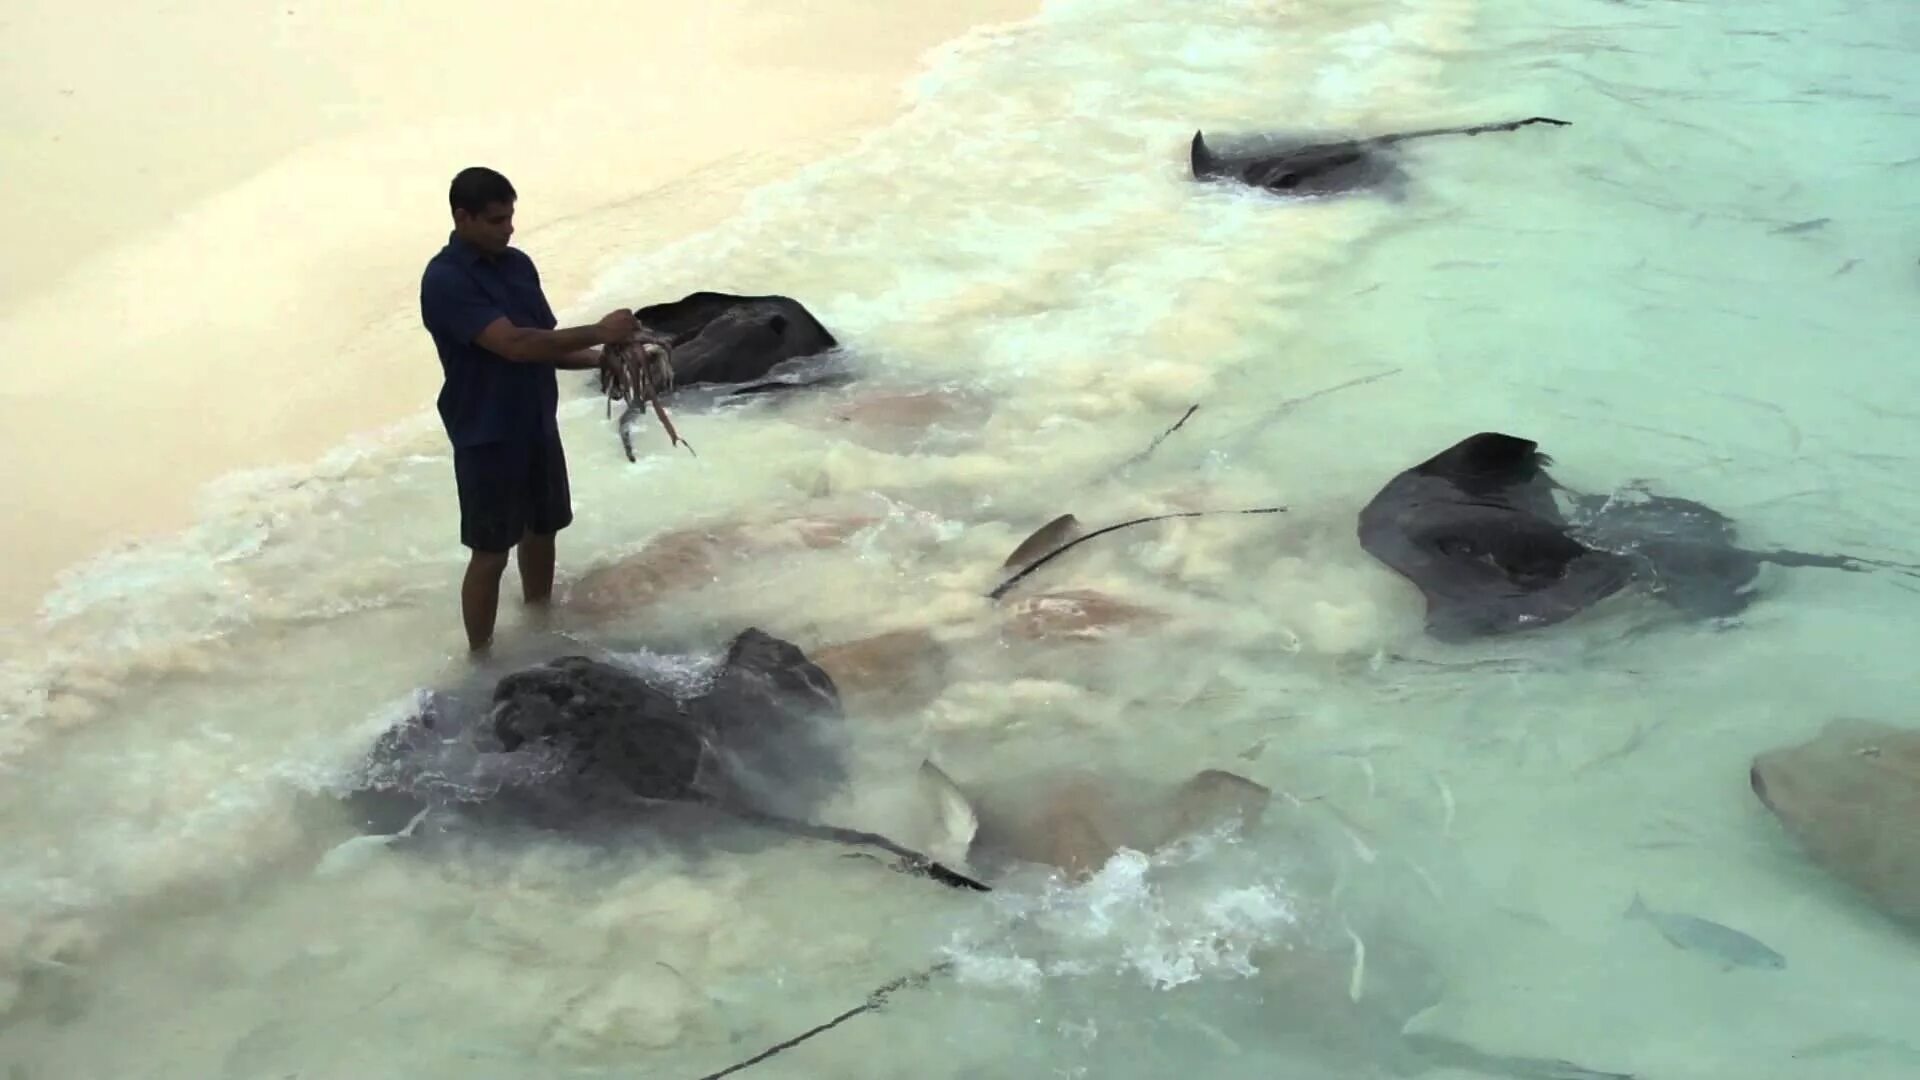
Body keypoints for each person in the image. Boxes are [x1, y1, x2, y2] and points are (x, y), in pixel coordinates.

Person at [419, 165, 640, 653]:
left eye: (511, 216)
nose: (509, 227)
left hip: (536, 421)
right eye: (496, 220)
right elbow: (514, 345)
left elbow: (545, 344)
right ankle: (481, 658)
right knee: (491, 551)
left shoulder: (518, 265)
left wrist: (602, 359)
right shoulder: (445, 281)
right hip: (487, 431)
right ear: (463, 217)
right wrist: (600, 332)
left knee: (544, 529)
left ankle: (540, 630)